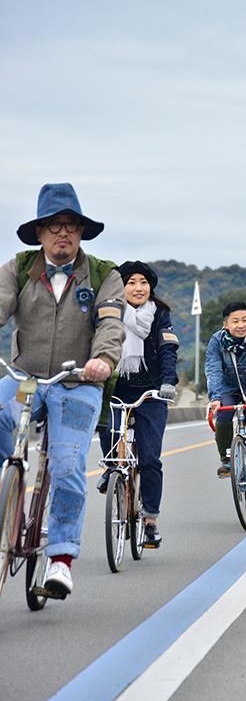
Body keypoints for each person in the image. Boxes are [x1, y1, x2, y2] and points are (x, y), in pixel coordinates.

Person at [0, 183, 125, 598]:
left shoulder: (106, 275)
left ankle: (60, 559)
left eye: (71, 225)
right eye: (53, 226)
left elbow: (110, 322)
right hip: (25, 379)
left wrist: (103, 360)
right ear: (39, 233)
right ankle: (8, 506)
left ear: (82, 232)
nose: (63, 233)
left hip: (78, 382)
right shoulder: (17, 269)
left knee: (67, 463)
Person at [97, 261, 179, 548]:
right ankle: (112, 468)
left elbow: (168, 349)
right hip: (117, 388)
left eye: (143, 282)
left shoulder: (160, 315)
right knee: (107, 430)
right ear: (121, 286)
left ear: (150, 287)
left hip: (151, 393)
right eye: (131, 282)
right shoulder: (110, 311)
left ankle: (151, 520)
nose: (138, 288)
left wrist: (169, 382)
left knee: (149, 459)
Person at [205, 300, 246, 506]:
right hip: (227, 389)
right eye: (235, 321)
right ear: (226, 324)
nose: (241, 325)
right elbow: (213, 369)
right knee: (224, 414)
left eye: (244, 320)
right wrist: (215, 398)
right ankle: (226, 459)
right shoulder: (216, 341)